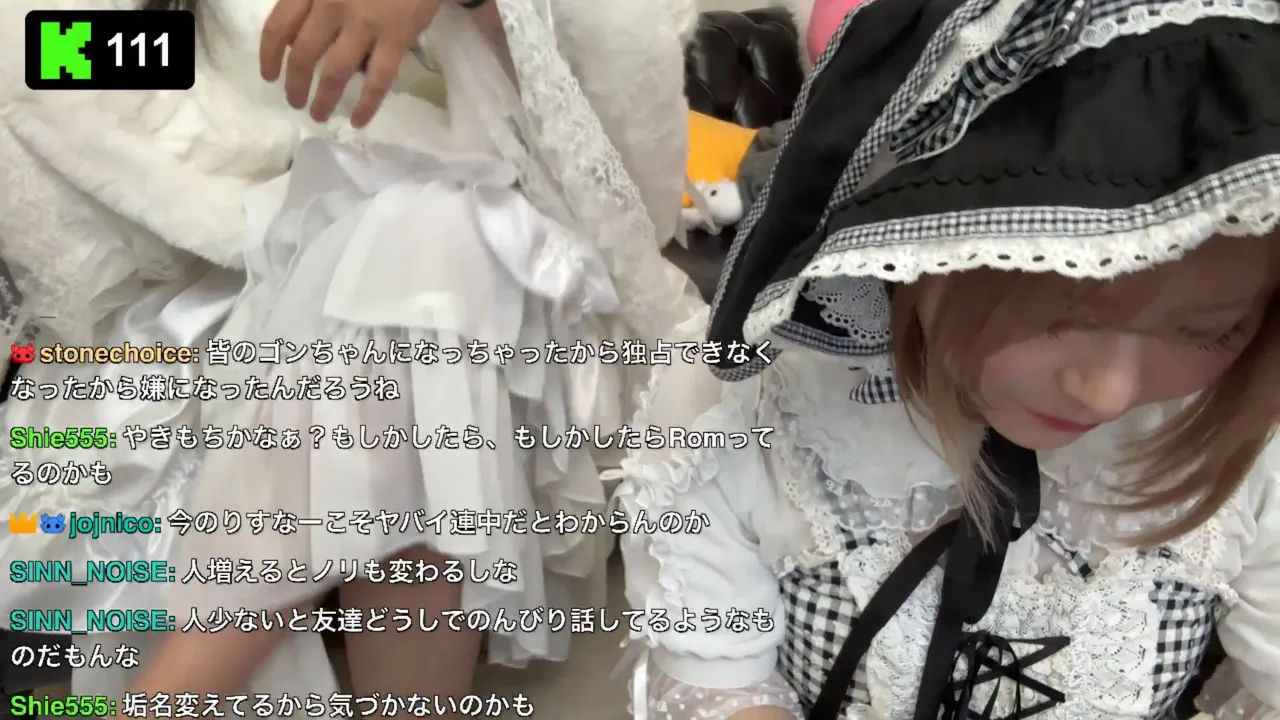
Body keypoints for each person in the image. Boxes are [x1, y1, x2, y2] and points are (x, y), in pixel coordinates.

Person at [0, 0, 701, 710]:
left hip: (503, 290)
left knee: (425, 254)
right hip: (219, 280)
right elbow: (60, 73)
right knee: (405, 295)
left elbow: (625, 169)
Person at [614, 0, 1280, 717]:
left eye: (1208, 331)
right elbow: (722, 685)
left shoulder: (1254, 434)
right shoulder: (736, 415)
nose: (1106, 392)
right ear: (924, 245)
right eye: (1057, 317)